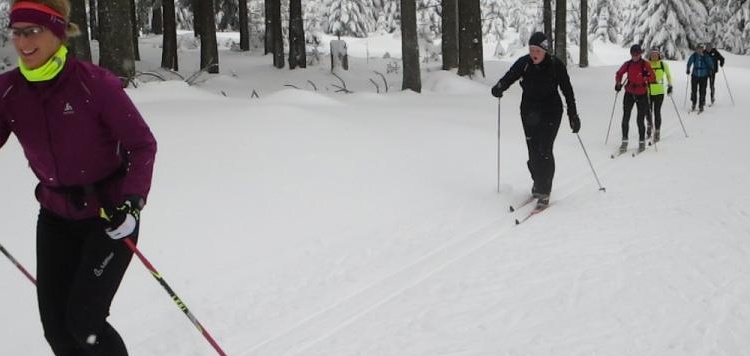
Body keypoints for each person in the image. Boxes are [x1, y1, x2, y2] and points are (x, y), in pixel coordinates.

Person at [0, 1, 157, 355]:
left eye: (33, 31)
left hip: (108, 219)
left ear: (57, 32)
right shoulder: (8, 91)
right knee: (57, 331)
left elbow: (142, 145)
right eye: (17, 32)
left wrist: (132, 202)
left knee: (84, 323)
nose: (24, 42)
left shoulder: (94, 84)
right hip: (55, 217)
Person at [490, 32, 580, 208]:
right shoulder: (524, 63)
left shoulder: (555, 65)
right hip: (529, 112)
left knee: (544, 149)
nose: (534, 54)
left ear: (545, 50)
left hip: (551, 112)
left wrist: (573, 114)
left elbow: (567, 91)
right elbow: (510, 76)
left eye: (537, 50)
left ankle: (545, 190)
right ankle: (538, 183)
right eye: (531, 49)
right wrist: (499, 87)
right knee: (533, 152)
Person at [615, 44, 656, 153]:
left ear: (640, 54)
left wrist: (645, 76)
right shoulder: (627, 64)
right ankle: (624, 142)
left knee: (639, 119)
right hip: (629, 93)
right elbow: (619, 73)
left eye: (637, 54)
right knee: (625, 117)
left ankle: (641, 142)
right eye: (633, 54)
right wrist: (618, 83)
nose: (635, 57)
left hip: (642, 94)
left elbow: (653, 77)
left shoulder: (645, 64)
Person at [647, 49, 673, 143]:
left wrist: (670, 86)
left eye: (656, 54)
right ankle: (649, 126)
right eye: (652, 54)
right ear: (650, 55)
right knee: (648, 112)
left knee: (657, 111)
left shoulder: (663, 64)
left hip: (659, 92)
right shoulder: (647, 64)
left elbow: (668, 76)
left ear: (659, 55)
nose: (654, 56)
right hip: (648, 92)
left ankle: (657, 131)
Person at [686, 43, 713, 113]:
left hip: (704, 76)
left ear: (703, 49)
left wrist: (711, 69)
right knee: (694, 91)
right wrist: (688, 69)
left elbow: (710, 63)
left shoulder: (705, 56)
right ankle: (693, 103)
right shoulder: (694, 55)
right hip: (695, 75)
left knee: (702, 91)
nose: (700, 50)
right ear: (696, 49)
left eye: (701, 49)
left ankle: (701, 105)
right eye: (698, 48)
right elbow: (689, 62)